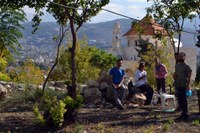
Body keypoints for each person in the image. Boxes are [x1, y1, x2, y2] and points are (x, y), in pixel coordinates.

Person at [174, 52, 192, 121]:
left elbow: (189, 76)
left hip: (184, 85)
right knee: (180, 100)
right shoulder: (177, 65)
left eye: (182, 56)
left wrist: (188, 85)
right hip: (178, 84)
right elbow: (176, 73)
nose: (180, 57)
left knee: (184, 100)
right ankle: (183, 114)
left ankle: (186, 114)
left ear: (184, 57)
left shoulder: (186, 66)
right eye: (180, 56)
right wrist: (174, 76)